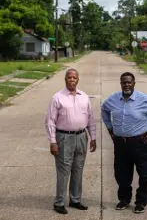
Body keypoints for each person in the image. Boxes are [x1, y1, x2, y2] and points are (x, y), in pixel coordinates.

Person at [101, 72, 147, 214]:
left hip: (142, 144)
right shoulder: (113, 99)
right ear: (120, 83)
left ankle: (141, 202)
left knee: (146, 175)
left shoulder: (144, 100)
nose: (127, 85)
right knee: (122, 175)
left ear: (134, 83)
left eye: (129, 82)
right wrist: (110, 129)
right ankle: (124, 200)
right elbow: (104, 109)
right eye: (124, 82)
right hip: (121, 144)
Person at [45, 68, 97, 215]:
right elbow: (50, 121)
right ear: (65, 79)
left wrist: (93, 137)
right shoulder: (57, 97)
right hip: (64, 138)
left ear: (78, 80)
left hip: (81, 137)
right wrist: (53, 142)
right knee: (64, 170)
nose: (72, 80)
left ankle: (75, 199)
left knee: (78, 169)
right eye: (69, 77)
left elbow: (91, 119)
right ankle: (59, 202)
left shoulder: (84, 97)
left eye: (74, 77)